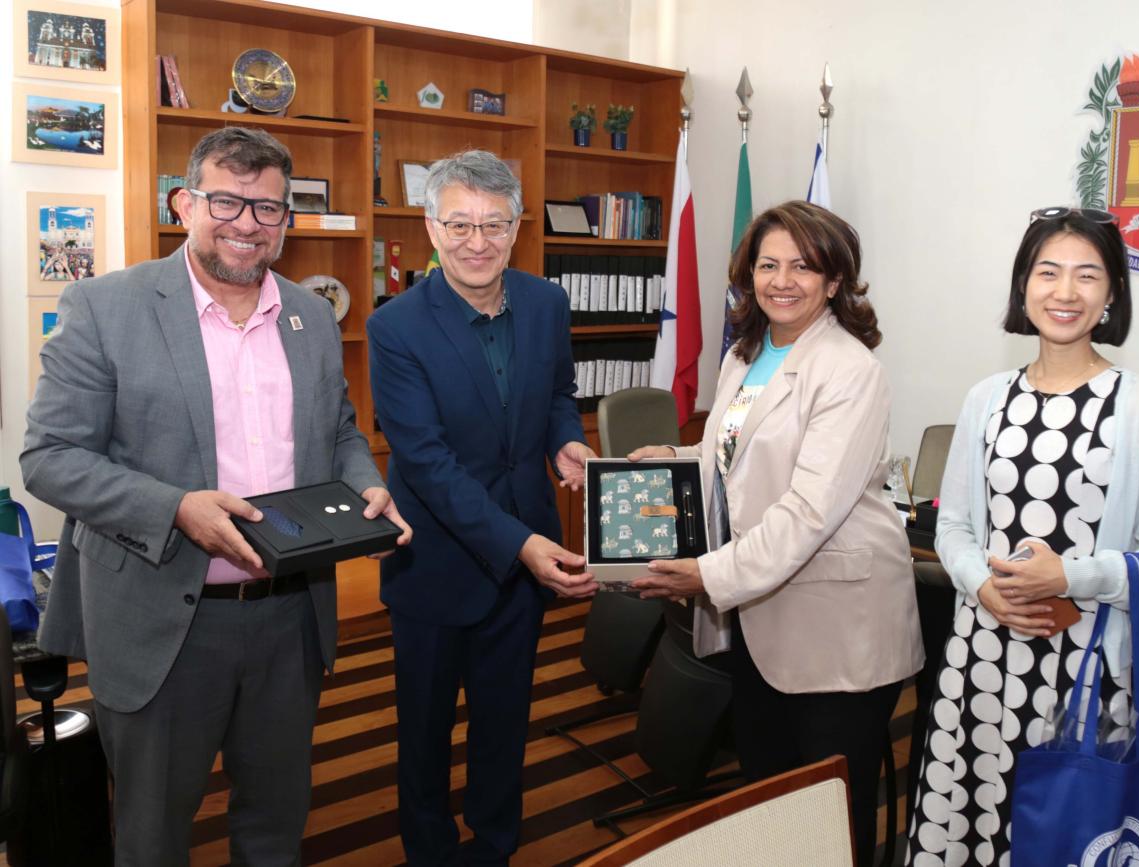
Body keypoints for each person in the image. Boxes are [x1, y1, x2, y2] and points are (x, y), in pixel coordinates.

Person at [22, 126, 411, 866]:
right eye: (226, 201)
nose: (247, 223)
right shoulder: (105, 305)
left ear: (285, 219)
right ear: (184, 203)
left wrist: (366, 481)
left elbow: (338, 430)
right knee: (153, 836)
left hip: (289, 619)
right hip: (162, 620)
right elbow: (50, 457)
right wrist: (175, 507)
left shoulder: (311, 316)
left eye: (267, 208)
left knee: (274, 825)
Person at [630, 200, 924, 861]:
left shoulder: (850, 369)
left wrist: (708, 574)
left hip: (838, 631)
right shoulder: (746, 354)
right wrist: (676, 457)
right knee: (770, 798)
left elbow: (810, 508)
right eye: (768, 265)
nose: (782, 280)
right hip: (762, 619)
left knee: (826, 819)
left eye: (802, 266)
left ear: (834, 280)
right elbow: (737, 458)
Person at [904, 207, 1139, 867]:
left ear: (1112, 292)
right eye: (1048, 272)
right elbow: (953, 525)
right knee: (971, 826)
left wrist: (1072, 576)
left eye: (1087, 275)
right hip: (981, 658)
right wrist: (982, 586)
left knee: (1065, 836)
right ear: (1023, 285)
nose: (1066, 292)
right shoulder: (986, 398)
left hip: (1084, 670)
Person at [367, 149, 598, 866]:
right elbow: (427, 464)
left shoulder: (546, 303)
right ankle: (430, 850)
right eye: (460, 224)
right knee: (425, 730)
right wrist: (521, 543)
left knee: (505, 721)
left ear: (517, 227)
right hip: (436, 561)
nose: (477, 241)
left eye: (494, 224)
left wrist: (566, 441)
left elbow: (557, 393)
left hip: (523, 556)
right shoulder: (395, 326)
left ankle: (495, 844)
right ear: (432, 228)